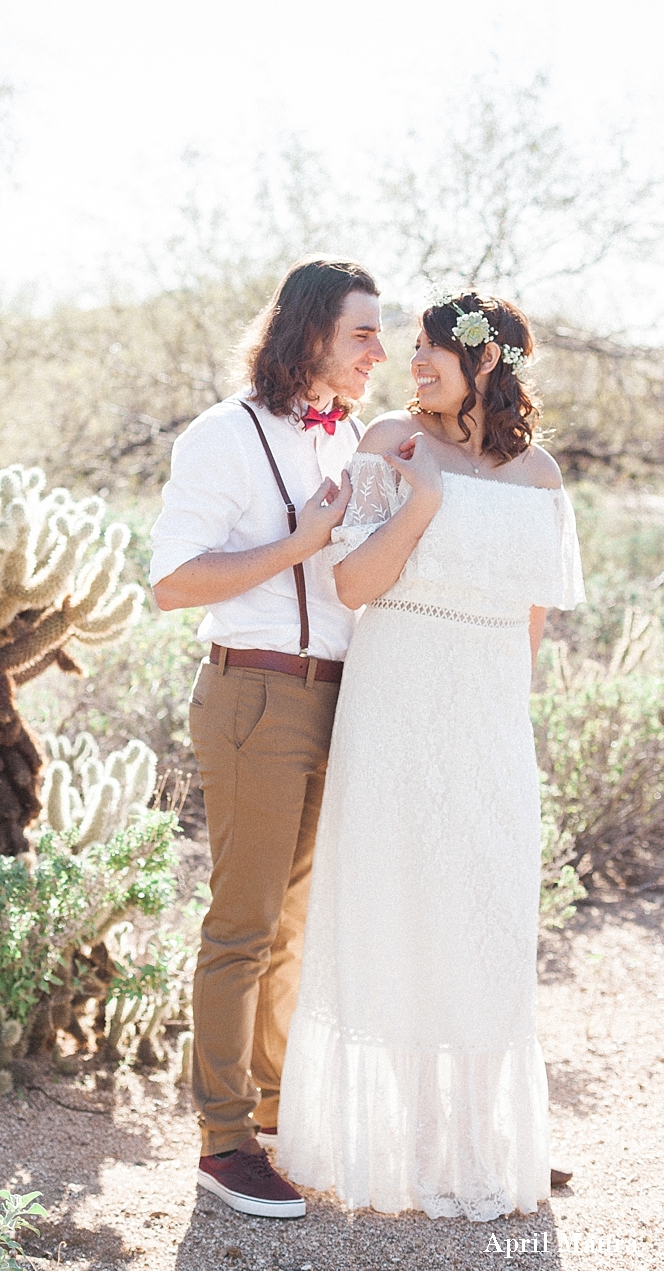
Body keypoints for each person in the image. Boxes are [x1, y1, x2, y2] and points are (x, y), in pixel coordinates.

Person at [277, 291, 585, 1222]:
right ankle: (384, 1144)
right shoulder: (388, 442)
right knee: (393, 898)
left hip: (483, 719)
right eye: (410, 348)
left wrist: (497, 732)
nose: (414, 364)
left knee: (478, 910)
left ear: (485, 364)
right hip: (395, 696)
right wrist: (422, 503)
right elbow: (352, 582)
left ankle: (474, 1143)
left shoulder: (539, 476)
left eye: (432, 352)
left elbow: (530, 624)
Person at [150, 256, 386, 1218]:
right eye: (362, 332)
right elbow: (172, 583)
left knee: (294, 926)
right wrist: (297, 542)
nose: (380, 349)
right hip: (255, 696)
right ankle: (222, 1141)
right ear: (309, 334)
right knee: (242, 925)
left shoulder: (355, 436)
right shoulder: (225, 434)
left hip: (339, 699)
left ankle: (277, 1113)